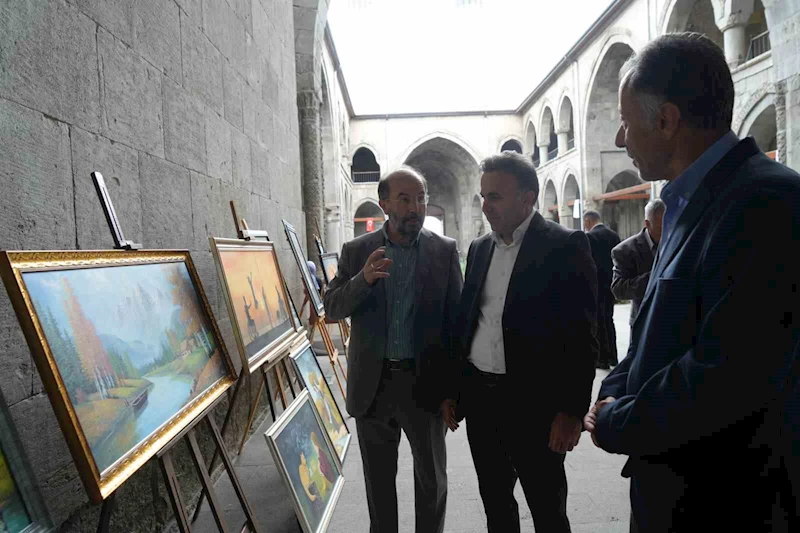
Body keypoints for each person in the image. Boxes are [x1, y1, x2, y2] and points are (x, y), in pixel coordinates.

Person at [583, 32, 800, 532]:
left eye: (625, 122)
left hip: (726, 501)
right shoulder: (688, 201)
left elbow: (729, 372)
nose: (620, 139)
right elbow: (659, 327)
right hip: (671, 490)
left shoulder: (766, 202)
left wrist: (617, 420)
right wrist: (613, 386)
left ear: (666, 121)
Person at [445, 151, 598, 533]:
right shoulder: (480, 248)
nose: (485, 206)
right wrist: (453, 390)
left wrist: (572, 411)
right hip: (482, 402)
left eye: (495, 196)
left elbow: (581, 337)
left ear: (527, 198)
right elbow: (468, 324)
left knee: (547, 510)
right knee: (496, 506)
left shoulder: (565, 245)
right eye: (483, 196)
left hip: (536, 406)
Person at [323, 166, 463, 533]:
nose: (415, 207)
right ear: (384, 204)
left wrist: (452, 390)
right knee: (379, 485)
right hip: (374, 386)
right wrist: (363, 279)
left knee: (432, 481)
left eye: (420, 199)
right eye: (404, 199)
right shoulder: (357, 251)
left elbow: (456, 325)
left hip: (425, 386)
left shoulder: (444, 251)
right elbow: (332, 308)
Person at [610, 199, 665, 327]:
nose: (666, 232)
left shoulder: (676, 242)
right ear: (647, 224)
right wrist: (656, 276)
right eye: (661, 228)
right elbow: (619, 289)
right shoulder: (625, 250)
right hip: (645, 323)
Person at [583, 210, 621, 368]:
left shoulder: (590, 237)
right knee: (609, 320)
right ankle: (613, 357)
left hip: (597, 285)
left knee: (598, 321)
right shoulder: (614, 235)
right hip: (611, 284)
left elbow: (587, 263)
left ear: (587, 221)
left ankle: (602, 359)